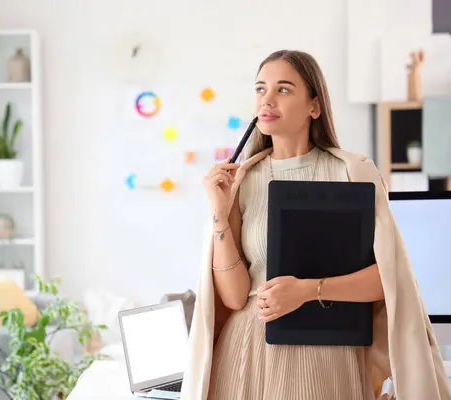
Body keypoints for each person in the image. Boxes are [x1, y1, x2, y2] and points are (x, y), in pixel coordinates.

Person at [184, 50, 451, 400]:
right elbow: (234, 297)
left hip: (329, 355)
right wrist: (219, 214)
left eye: (283, 89)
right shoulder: (243, 181)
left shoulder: (353, 173)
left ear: (314, 106)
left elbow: (388, 279)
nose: (267, 98)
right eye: (260, 88)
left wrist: (309, 290)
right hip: (247, 351)